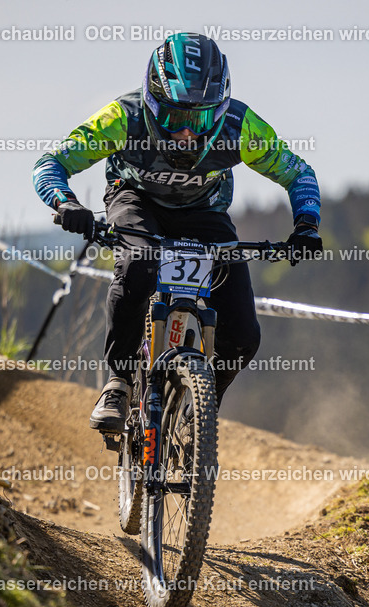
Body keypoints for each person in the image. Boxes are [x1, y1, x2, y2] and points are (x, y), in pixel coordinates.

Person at [33, 32, 321, 433]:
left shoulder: (241, 125)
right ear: (150, 103)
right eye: (173, 118)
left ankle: (198, 413)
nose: (186, 133)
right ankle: (119, 381)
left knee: (241, 334)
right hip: (134, 199)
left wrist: (306, 225)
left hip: (202, 211)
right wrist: (66, 203)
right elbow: (52, 162)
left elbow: (298, 173)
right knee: (139, 265)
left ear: (219, 111)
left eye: (200, 119)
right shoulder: (123, 117)